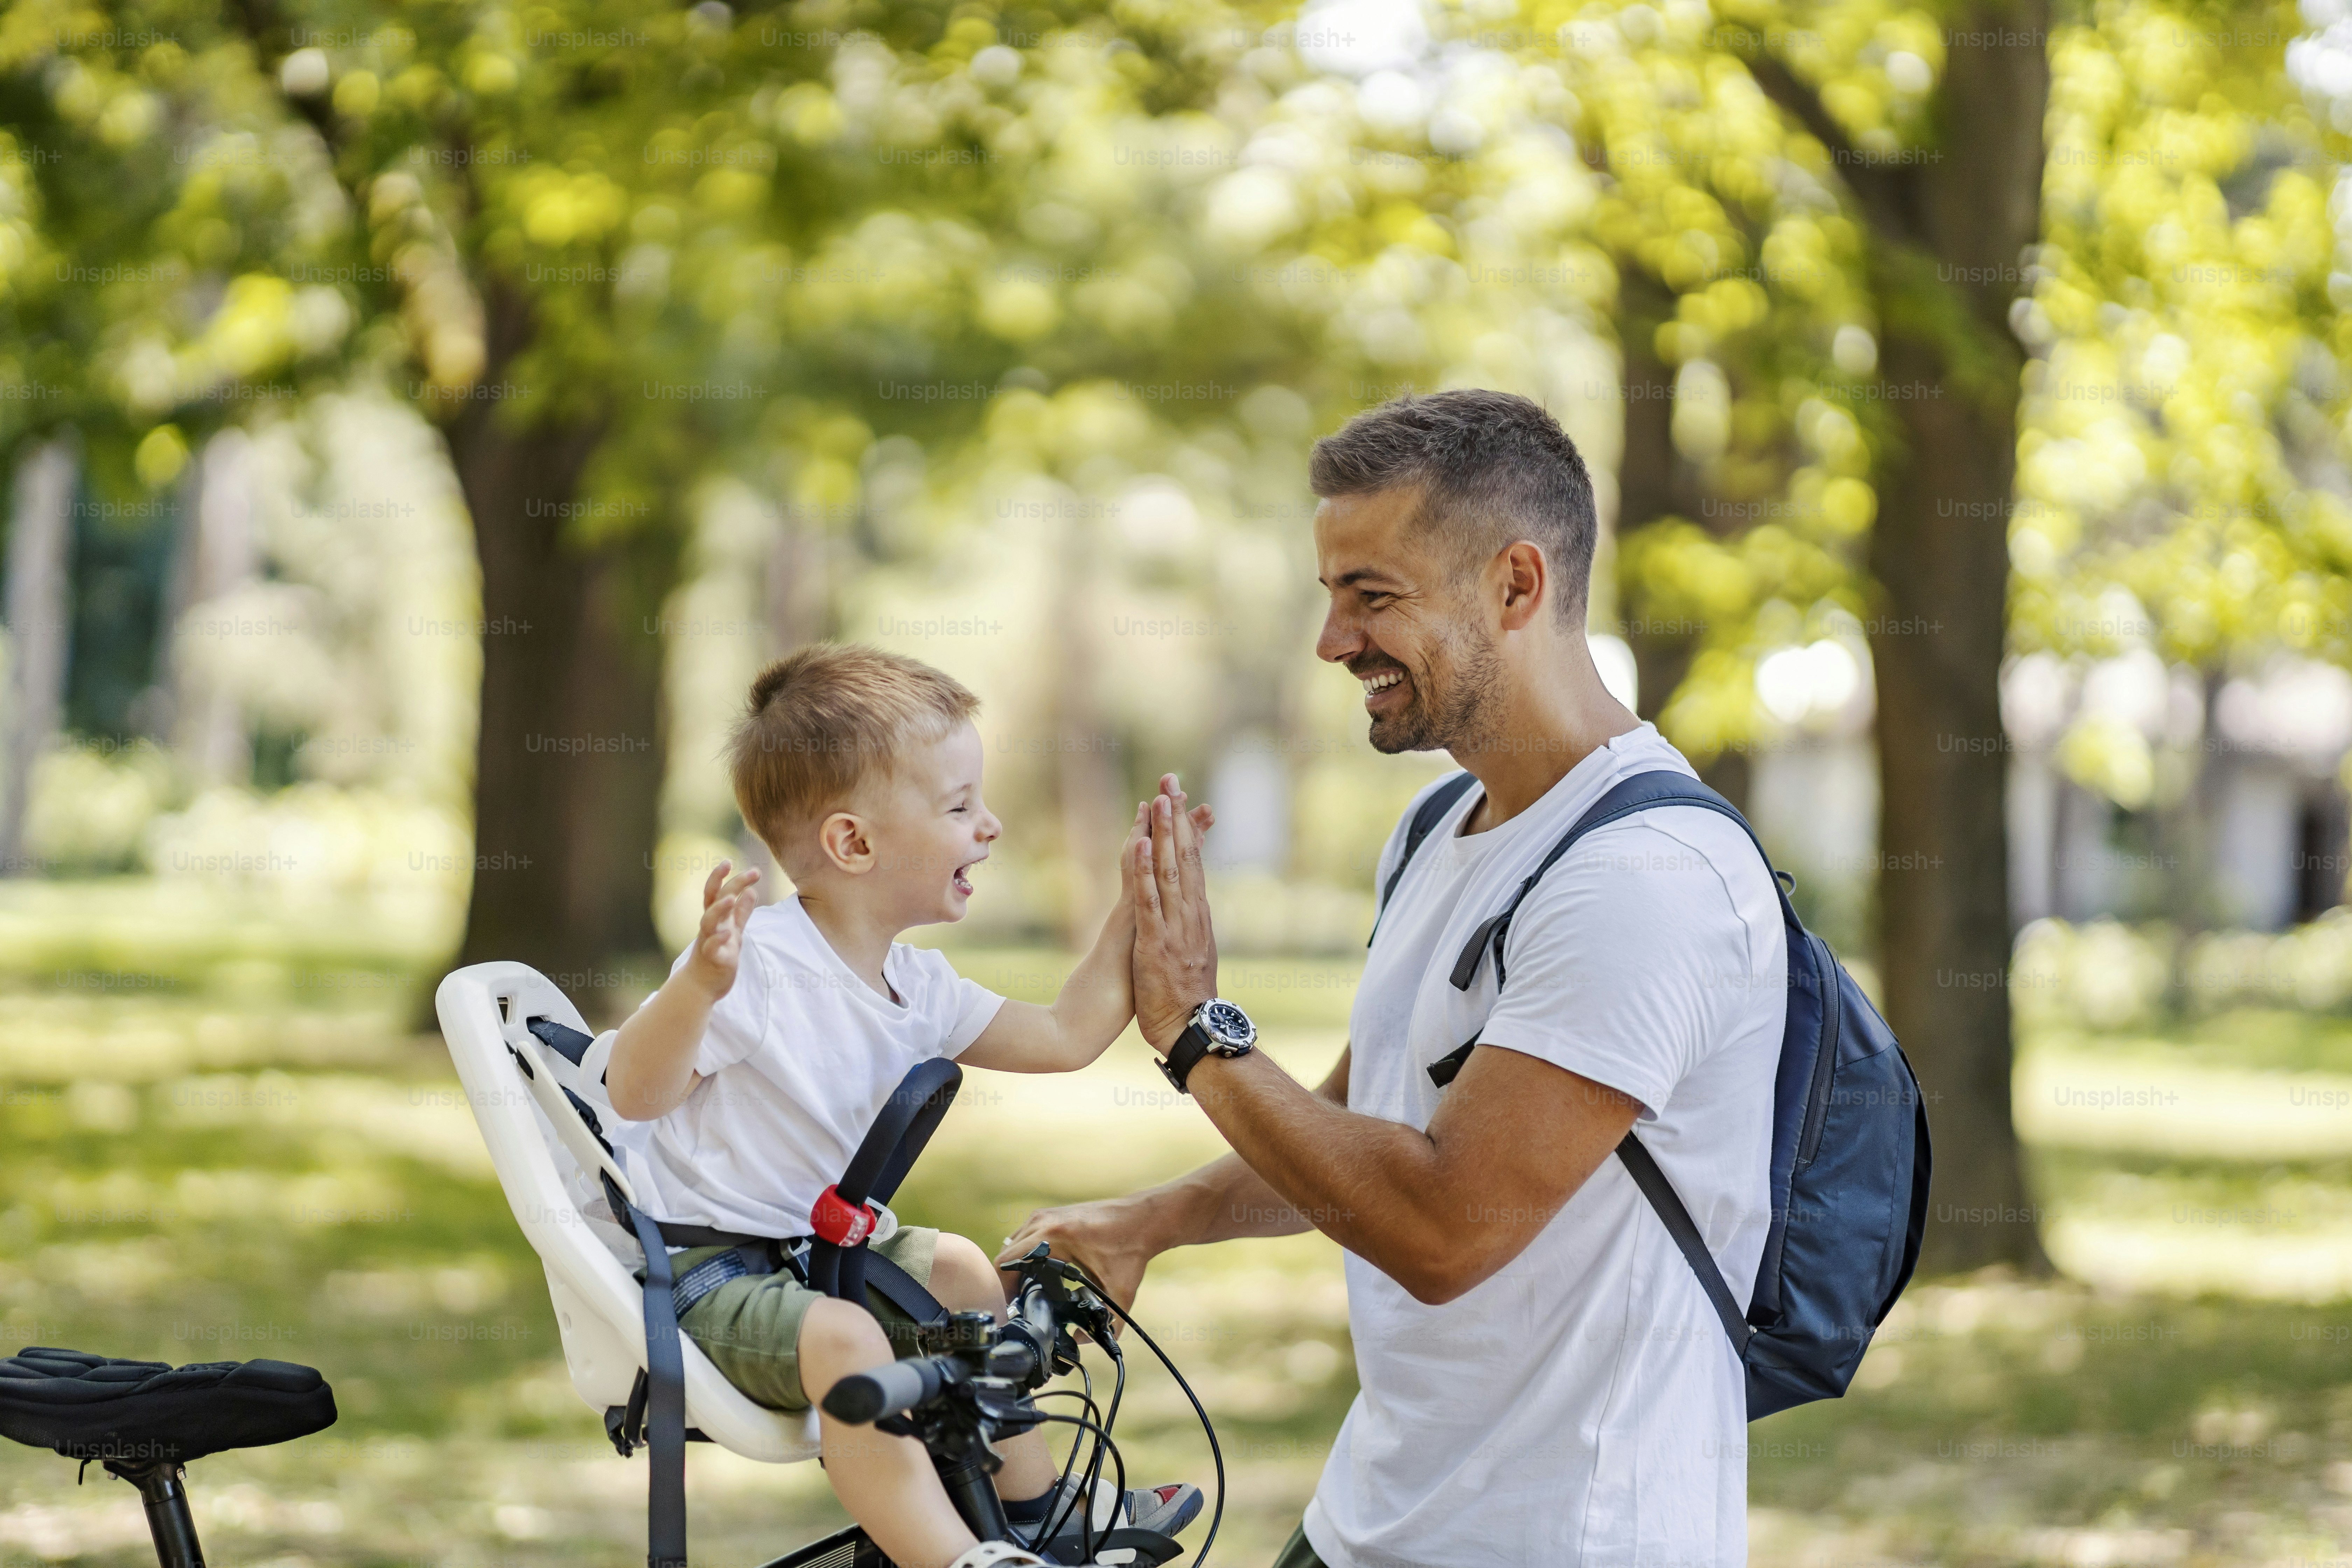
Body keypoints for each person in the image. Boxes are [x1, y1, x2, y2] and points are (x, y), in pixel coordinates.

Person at [1002, 391, 1790, 1567]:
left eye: (1373, 599)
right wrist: (1149, 1224)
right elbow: (1344, 1141)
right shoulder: (1437, 828)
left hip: (1569, 1538)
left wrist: (1190, 1033)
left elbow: (1440, 1230)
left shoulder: (1646, 878)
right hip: (1375, 1516)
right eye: (1331, 599)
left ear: (1516, 586)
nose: (1332, 643)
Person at [604, 645, 1205, 1568]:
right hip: (713, 1278)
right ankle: (957, 1558)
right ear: (854, 844)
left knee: (964, 1273)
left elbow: (1067, 1035)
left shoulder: (916, 985)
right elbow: (633, 1096)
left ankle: (1040, 1511)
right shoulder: (756, 968)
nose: (991, 826)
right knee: (847, 1333)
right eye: (960, 807)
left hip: (823, 1261)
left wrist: (1136, 900)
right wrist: (696, 988)